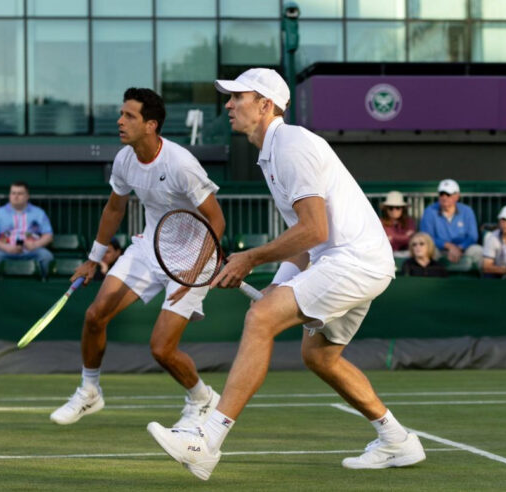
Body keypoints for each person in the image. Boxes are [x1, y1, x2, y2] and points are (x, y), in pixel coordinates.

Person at [147, 68, 424, 480]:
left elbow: (315, 230)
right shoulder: (272, 153)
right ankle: (397, 440)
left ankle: (206, 442)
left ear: (265, 105)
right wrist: (278, 286)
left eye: (237, 97)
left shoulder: (291, 144)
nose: (228, 105)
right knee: (319, 356)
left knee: (260, 318)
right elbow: (307, 243)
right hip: (351, 260)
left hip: (354, 260)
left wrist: (250, 259)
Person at [49, 88, 225, 430]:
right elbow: (115, 208)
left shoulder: (181, 164)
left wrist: (193, 271)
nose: (120, 121)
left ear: (151, 125)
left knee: (161, 349)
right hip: (150, 248)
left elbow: (216, 221)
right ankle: (89, 391)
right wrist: (93, 259)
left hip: (192, 259)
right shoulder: (125, 159)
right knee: (95, 315)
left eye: (129, 115)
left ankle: (202, 399)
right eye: (121, 113)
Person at [0, 181, 54, 280]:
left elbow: (48, 235)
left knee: (46, 257)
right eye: (13, 193)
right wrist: (6, 247)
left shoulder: (39, 213)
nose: (16, 196)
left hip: (32, 251)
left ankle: (42, 286)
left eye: (20, 193)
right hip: (6, 251)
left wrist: (35, 245)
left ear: (27, 196)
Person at [419, 179, 482, 267]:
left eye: (448, 194)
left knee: (478, 251)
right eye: (442, 194)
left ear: (457, 196)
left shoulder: (467, 211)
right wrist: (449, 246)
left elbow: (473, 236)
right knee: (427, 251)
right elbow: (427, 237)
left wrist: (459, 248)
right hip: (439, 249)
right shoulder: (430, 211)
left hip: (463, 248)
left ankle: (481, 279)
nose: (444, 197)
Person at [380, 190, 415, 256]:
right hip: (387, 255)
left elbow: (411, 240)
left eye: (398, 207)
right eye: (391, 208)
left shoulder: (409, 221)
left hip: (407, 255)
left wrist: (392, 238)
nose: (394, 210)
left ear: (403, 209)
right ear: (386, 209)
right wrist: (405, 236)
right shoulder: (380, 222)